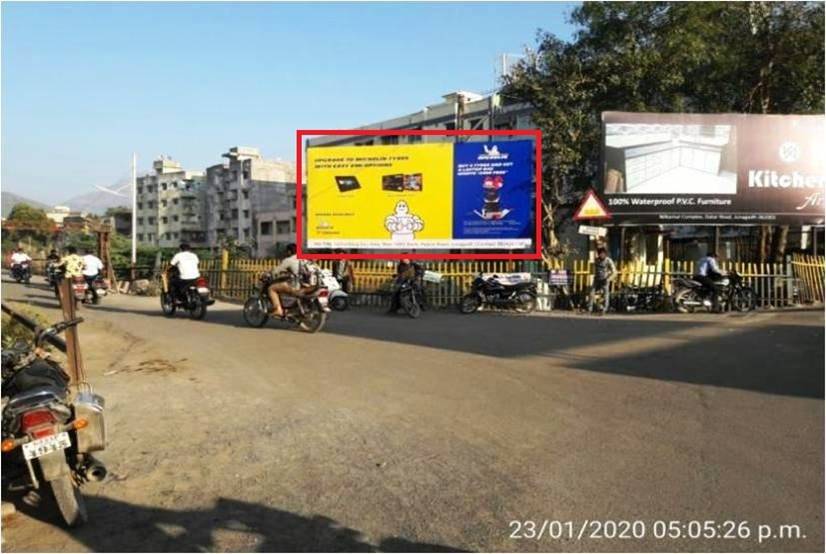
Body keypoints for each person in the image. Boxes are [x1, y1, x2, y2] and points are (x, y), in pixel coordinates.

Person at [268, 243, 302, 318]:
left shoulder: (289, 260)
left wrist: (269, 273)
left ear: (289, 251)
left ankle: (278, 309)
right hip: (304, 285)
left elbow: (276, 271)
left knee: (271, 288)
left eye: (287, 251)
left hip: (295, 285)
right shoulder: (303, 258)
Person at [587, 247, 616, 315]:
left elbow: (614, 272)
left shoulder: (608, 260)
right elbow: (593, 268)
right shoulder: (596, 260)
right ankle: (590, 308)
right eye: (600, 254)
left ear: (605, 254)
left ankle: (605, 309)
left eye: (603, 254)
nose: (601, 255)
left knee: (605, 294)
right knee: (591, 292)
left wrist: (608, 279)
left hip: (605, 280)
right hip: (597, 279)